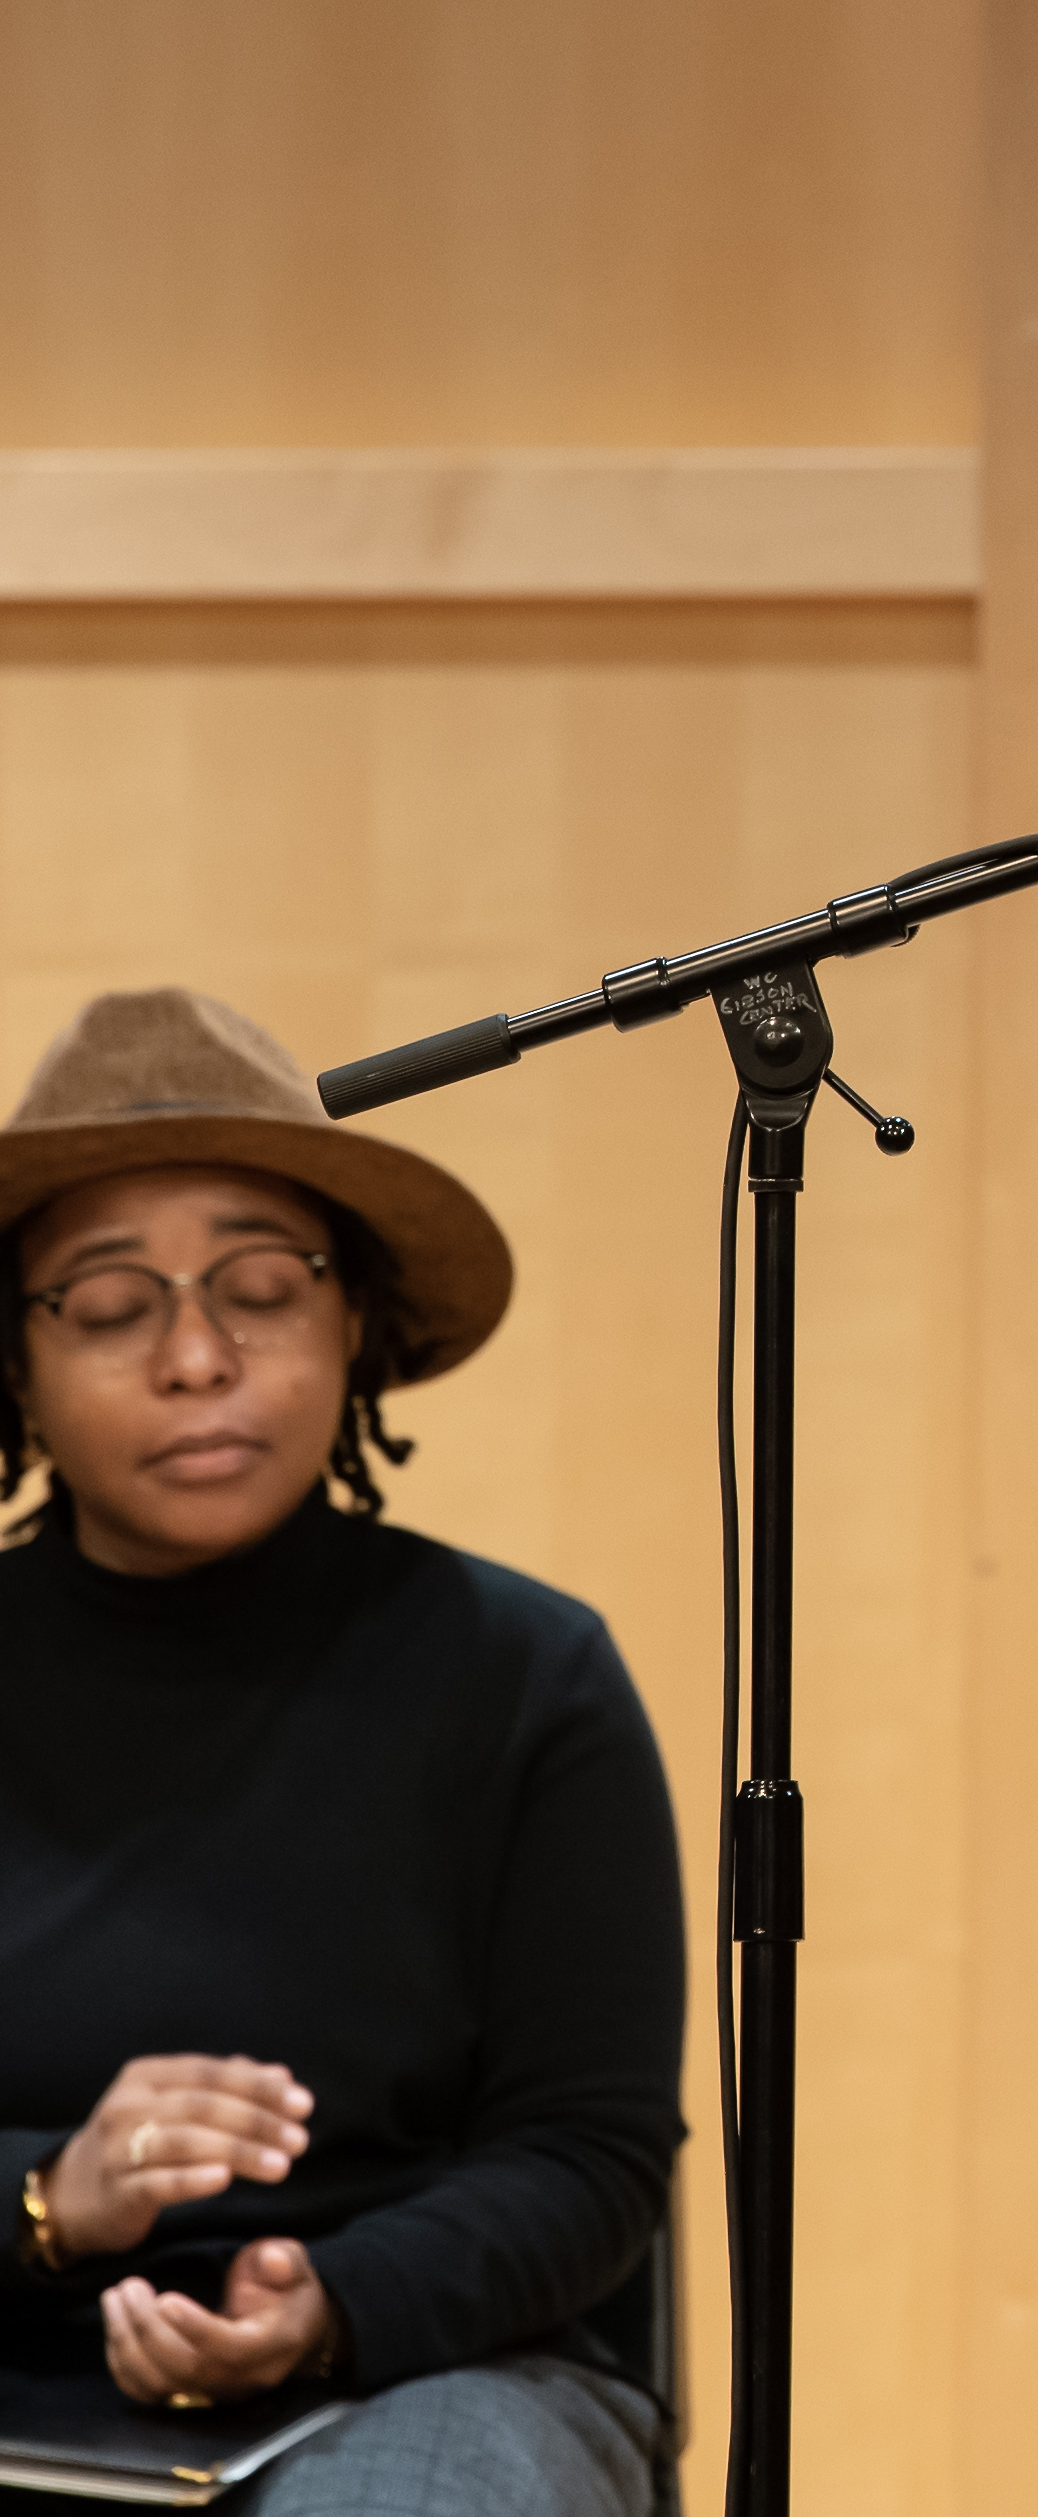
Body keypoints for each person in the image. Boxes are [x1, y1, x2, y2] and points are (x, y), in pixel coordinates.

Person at [0, 988, 683, 2514]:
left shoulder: (525, 1674)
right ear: (17, 1368)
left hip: (432, 2371)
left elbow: (589, 2154)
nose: (194, 1356)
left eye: (259, 1286)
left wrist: (332, 2300)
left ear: (353, 1314)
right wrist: (52, 2200)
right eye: (111, 1308)